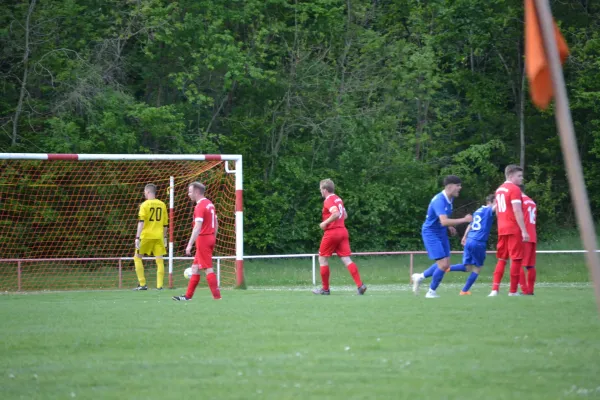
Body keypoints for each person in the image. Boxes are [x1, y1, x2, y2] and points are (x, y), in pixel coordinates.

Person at [411, 175, 472, 298]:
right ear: (449, 186)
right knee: (443, 265)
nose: (460, 188)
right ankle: (430, 292)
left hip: (441, 231)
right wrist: (464, 220)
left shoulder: (450, 199)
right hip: (431, 233)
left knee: (446, 264)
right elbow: (444, 221)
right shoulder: (439, 200)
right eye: (458, 185)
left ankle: (421, 277)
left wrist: (449, 226)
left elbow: (442, 219)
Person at [312, 179, 367, 295]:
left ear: (325, 190)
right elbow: (344, 215)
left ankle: (325, 289)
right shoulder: (338, 199)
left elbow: (336, 214)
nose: (320, 191)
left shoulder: (328, 200)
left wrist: (325, 223)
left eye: (321, 189)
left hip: (332, 232)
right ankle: (360, 285)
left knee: (322, 258)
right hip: (343, 231)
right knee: (346, 259)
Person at [173, 182, 221, 301]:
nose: (188, 194)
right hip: (209, 237)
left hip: (203, 238)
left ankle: (217, 297)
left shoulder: (199, 206)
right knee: (195, 268)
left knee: (208, 268)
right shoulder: (210, 204)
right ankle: (188, 296)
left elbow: (197, 227)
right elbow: (216, 223)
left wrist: (189, 245)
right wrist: (213, 237)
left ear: (196, 192)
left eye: (190, 191)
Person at [488, 165, 530, 297]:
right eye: (519, 176)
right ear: (510, 176)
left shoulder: (499, 189)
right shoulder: (514, 189)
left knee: (502, 259)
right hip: (513, 228)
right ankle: (513, 291)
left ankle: (494, 290)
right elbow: (517, 210)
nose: (521, 178)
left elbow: (498, 211)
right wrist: (524, 230)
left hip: (502, 228)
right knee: (516, 260)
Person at [455, 194, 496, 295]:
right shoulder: (488, 210)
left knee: (467, 267)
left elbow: (470, 224)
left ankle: (446, 268)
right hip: (478, 242)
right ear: (490, 202)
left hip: (469, 239)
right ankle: (464, 290)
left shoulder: (478, 211)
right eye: (495, 202)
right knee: (478, 267)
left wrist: (464, 236)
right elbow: (497, 207)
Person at [133, 184, 168, 291]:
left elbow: (141, 222)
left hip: (146, 236)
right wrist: (165, 237)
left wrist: (137, 237)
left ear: (147, 192)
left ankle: (142, 284)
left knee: (137, 258)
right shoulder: (162, 205)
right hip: (158, 237)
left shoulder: (144, 205)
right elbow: (165, 224)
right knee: (159, 260)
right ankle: (159, 286)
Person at [520, 186, 537, 295]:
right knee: (530, 265)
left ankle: (524, 290)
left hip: (524, 235)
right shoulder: (532, 202)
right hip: (533, 235)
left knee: (518, 263)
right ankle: (530, 290)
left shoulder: (520, 202)